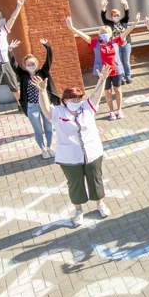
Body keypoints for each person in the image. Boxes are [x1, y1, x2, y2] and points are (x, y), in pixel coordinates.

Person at [35, 67, 112, 227]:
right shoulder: (58, 112)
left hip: (92, 153)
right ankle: (78, 211)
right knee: (75, 183)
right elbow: (46, 110)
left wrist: (102, 79)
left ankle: (100, 204)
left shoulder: (87, 107)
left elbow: (96, 94)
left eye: (79, 98)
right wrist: (42, 92)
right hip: (69, 157)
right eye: (73, 99)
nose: (77, 102)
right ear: (65, 100)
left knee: (96, 179)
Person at [66, 12, 141, 120]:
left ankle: (119, 110)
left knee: (118, 89)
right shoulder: (95, 43)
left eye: (106, 32)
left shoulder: (115, 41)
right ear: (99, 34)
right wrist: (72, 28)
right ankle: (111, 111)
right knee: (107, 91)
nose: (104, 34)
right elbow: (83, 36)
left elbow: (126, 32)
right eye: (102, 33)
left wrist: (135, 23)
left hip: (116, 70)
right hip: (103, 73)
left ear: (110, 34)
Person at [9, 37, 57, 159]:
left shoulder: (43, 72)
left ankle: (50, 147)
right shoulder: (23, 75)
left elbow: (49, 59)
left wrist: (47, 46)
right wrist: (10, 50)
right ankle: (43, 149)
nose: (31, 65)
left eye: (33, 63)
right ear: (24, 66)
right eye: (28, 64)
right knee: (38, 130)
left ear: (37, 63)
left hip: (45, 105)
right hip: (32, 106)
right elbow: (13, 64)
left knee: (49, 128)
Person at [100, 0, 134, 84]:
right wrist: (103, 7)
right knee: (118, 62)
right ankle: (121, 78)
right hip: (116, 46)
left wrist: (125, 4)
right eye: (114, 15)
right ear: (111, 17)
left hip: (126, 45)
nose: (116, 17)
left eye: (117, 15)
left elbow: (127, 14)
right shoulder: (109, 24)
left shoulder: (123, 22)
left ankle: (128, 77)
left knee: (126, 61)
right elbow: (103, 17)